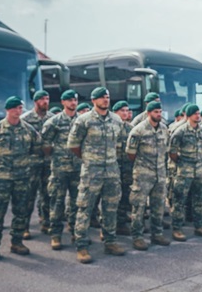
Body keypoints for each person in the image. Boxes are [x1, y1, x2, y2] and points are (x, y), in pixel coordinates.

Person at [68, 87, 127, 264]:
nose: (105, 100)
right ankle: (82, 246)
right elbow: (73, 145)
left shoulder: (116, 120)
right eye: (101, 97)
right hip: (91, 172)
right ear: (93, 100)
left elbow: (119, 143)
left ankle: (110, 242)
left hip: (111, 172)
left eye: (107, 97)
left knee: (110, 208)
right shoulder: (83, 120)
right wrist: (88, 159)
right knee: (85, 208)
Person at [0, 96, 42, 260]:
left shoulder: (28, 129)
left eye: (20, 108)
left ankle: (17, 243)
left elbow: (36, 147)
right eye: (14, 108)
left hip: (22, 178)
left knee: (21, 212)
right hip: (2, 179)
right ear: (7, 110)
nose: (18, 111)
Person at [126, 100, 171, 250]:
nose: (159, 114)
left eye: (160, 112)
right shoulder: (138, 130)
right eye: (156, 112)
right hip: (143, 175)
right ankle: (137, 237)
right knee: (138, 207)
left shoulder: (164, 129)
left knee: (158, 206)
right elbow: (130, 153)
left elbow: (166, 150)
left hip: (160, 174)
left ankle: (157, 234)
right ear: (148, 113)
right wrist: (143, 166)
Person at [41, 90, 82, 250]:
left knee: (77, 203)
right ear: (63, 102)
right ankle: (56, 235)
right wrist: (56, 156)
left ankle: (75, 233)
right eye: (69, 100)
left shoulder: (82, 120)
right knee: (57, 202)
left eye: (75, 100)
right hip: (59, 169)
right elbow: (45, 143)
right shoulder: (54, 122)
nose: (73, 103)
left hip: (78, 169)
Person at [168, 104, 202, 239]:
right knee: (179, 201)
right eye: (194, 114)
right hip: (184, 171)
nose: (198, 116)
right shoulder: (180, 132)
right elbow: (172, 152)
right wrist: (182, 163)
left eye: (198, 113)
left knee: (199, 200)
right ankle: (177, 229)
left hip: (199, 171)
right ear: (189, 115)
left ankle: (199, 226)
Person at [21, 89, 54, 238]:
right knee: (29, 195)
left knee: (47, 194)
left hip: (48, 162)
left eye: (47, 99)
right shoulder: (25, 119)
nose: (45, 102)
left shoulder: (53, 118)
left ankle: (46, 222)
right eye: (42, 99)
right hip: (31, 163)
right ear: (35, 102)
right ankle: (24, 226)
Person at [112, 101, 134, 235]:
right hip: (112, 167)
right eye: (122, 111)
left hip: (126, 168)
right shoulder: (110, 127)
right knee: (111, 197)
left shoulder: (131, 128)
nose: (125, 113)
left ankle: (121, 222)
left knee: (125, 195)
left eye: (127, 110)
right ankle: (107, 224)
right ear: (115, 113)